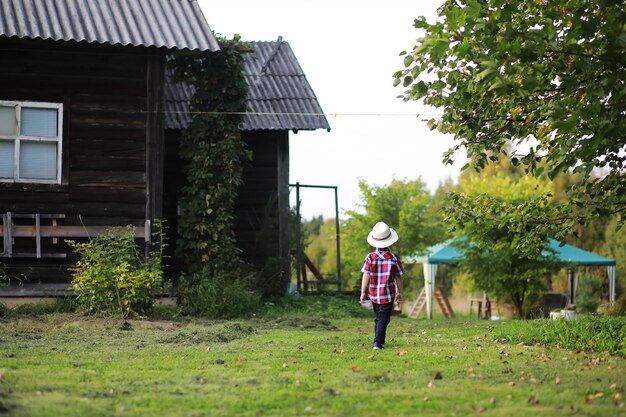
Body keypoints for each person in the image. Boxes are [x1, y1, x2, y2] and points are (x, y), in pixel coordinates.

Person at [359, 222, 404, 350]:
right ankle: (377, 343)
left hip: (374, 295)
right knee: (384, 318)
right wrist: (400, 292)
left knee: (379, 317)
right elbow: (398, 277)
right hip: (388, 294)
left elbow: (366, 275)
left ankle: (379, 340)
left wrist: (363, 292)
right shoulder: (393, 258)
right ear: (390, 242)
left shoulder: (370, 257)